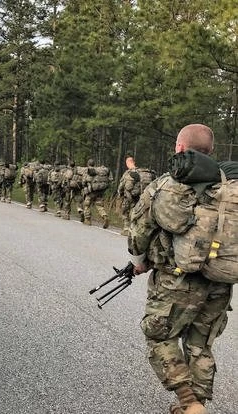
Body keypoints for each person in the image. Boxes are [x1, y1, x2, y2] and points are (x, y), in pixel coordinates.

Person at [128, 124, 231, 414]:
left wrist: (138, 262)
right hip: (220, 282)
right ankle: (196, 405)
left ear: (180, 148)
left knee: (159, 335)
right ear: (211, 152)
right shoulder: (229, 186)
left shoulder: (164, 185)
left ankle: (189, 403)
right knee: (201, 344)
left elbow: (139, 232)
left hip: (177, 280)